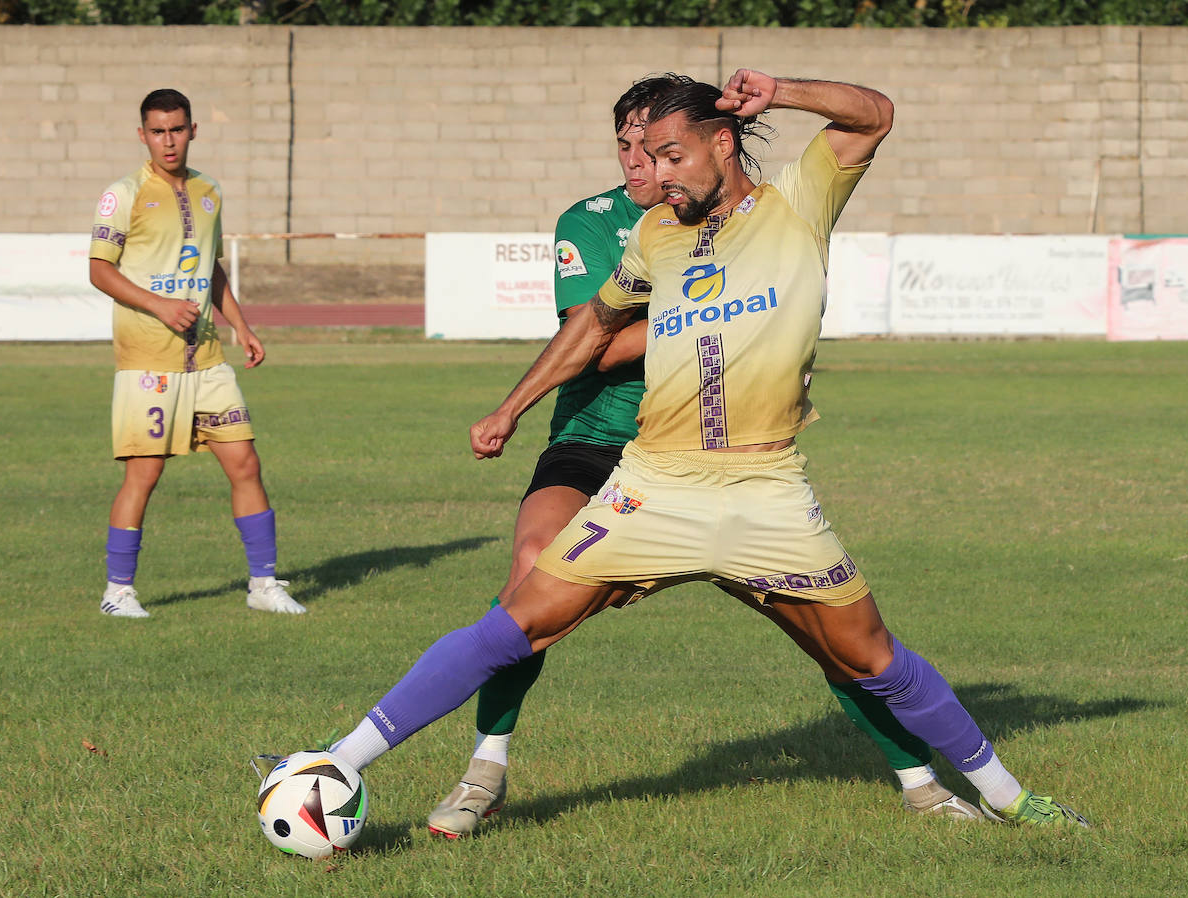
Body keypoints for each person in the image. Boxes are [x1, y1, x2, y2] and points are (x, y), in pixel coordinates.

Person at [315, 70, 1089, 829]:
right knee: (514, 621)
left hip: (768, 486)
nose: (656, 174)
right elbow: (591, 325)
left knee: (870, 657)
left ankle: (1008, 798)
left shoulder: (798, 200)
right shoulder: (655, 233)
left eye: (671, 155)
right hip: (655, 484)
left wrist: (780, 90)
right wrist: (512, 407)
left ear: (723, 142)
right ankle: (342, 761)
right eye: (644, 156)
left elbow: (873, 114)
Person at [88, 88, 303, 618]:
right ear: (143, 135)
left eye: (177, 129)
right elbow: (99, 270)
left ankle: (263, 584)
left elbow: (211, 268)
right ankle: (118, 593)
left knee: (245, 463)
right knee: (144, 474)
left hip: (206, 359)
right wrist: (159, 306)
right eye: (158, 131)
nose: (168, 140)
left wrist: (242, 326)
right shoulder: (124, 193)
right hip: (147, 362)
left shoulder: (209, 191)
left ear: (192, 130)